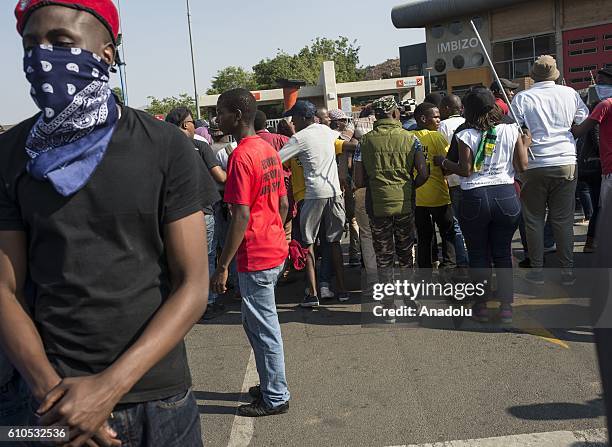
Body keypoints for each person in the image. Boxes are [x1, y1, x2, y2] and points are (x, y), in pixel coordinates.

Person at [1, 1, 220, 445]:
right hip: (43, 406)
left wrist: (108, 387)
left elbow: (193, 283)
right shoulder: (11, 154)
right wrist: (50, 393)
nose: (41, 58)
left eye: (61, 43)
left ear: (106, 53)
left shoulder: (165, 148)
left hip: (160, 402)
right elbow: (4, 288)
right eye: (30, 45)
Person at [211, 88, 290, 417]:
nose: (218, 119)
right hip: (271, 247)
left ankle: (275, 395)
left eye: (222, 112)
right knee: (255, 324)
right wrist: (275, 229)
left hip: (256, 255)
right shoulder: (266, 149)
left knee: (263, 327)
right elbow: (283, 202)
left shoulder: (242, 155)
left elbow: (240, 215)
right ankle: (271, 383)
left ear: (238, 116)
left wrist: (223, 264)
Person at [436, 88, 530, 324]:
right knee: (503, 253)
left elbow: (466, 170)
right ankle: (506, 306)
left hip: (475, 198)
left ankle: (481, 306)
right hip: (506, 196)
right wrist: (525, 143)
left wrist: (444, 161)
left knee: (478, 255)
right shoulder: (511, 129)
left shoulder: (466, 134)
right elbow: (523, 166)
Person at [511, 55, 589, 285]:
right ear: (555, 73)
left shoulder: (523, 98)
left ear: (534, 75)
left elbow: (512, 127)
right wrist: (569, 135)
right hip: (565, 160)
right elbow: (581, 121)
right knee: (563, 220)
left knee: (533, 219)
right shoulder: (570, 93)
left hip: (534, 163)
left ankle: (537, 270)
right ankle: (567, 271)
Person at [355, 96, 429, 323]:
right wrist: (408, 187)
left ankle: (388, 307)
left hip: (377, 207)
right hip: (405, 205)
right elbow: (424, 173)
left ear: (376, 116)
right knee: (406, 255)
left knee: (384, 257)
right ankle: (411, 302)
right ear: (395, 113)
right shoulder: (411, 139)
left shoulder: (364, 142)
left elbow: (358, 180)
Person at [279, 101, 350, 307]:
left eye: (294, 118)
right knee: (334, 242)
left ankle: (312, 294)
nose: (292, 122)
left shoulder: (299, 138)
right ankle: (343, 291)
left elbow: (277, 159)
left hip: (312, 195)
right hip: (334, 193)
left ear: (302, 118)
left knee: (308, 245)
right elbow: (345, 143)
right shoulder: (327, 131)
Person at [166, 107, 227, 320]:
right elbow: (220, 177)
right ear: (185, 125)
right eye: (192, 122)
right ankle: (207, 303)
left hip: (175, 214)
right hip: (203, 209)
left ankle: (184, 302)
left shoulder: (163, 148)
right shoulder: (200, 146)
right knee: (208, 256)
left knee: (181, 259)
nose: (195, 126)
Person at [409, 102, 457, 273]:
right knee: (447, 233)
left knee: (424, 236)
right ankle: (449, 266)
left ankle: (425, 270)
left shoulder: (409, 138)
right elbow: (448, 163)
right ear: (423, 119)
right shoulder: (436, 137)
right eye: (435, 117)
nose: (439, 120)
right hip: (439, 196)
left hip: (418, 197)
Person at [573, 68, 612, 213]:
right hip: (605, 166)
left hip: (608, 168)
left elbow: (579, 131)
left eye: (602, 82)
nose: (598, 86)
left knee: (603, 213)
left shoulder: (604, 105)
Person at [438, 94, 469, 275]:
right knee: (469, 223)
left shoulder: (443, 126)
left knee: (456, 224)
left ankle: (462, 260)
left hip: (452, 179)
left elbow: (442, 152)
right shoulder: (467, 122)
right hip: (468, 180)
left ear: (448, 109)